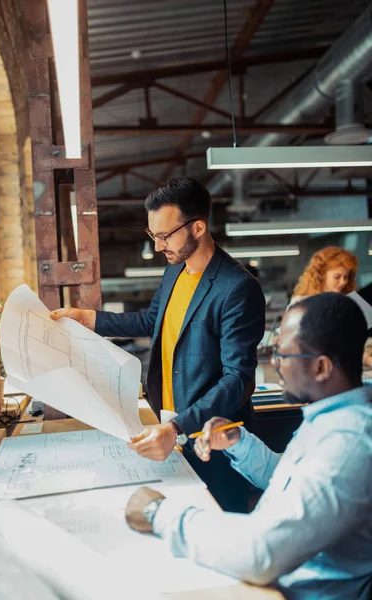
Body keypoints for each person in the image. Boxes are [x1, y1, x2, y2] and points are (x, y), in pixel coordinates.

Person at [125, 293, 372, 600]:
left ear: (321, 368)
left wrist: (158, 513)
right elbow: (296, 483)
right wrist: (239, 444)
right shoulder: (332, 416)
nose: (276, 364)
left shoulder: (349, 444)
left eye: (284, 355)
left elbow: (261, 553)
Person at [50, 177, 265, 512]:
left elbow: (238, 379)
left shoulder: (237, 287)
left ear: (197, 227)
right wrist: (88, 319)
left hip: (214, 438)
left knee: (221, 526)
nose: (157, 246)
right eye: (153, 236)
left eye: (165, 236)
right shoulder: (175, 272)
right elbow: (152, 322)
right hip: (171, 429)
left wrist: (177, 426)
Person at [290, 245, 357, 305]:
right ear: (322, 274)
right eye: (337, 277)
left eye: (346, 277)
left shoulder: (348, 302)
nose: (343, 282)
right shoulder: (300, 303)